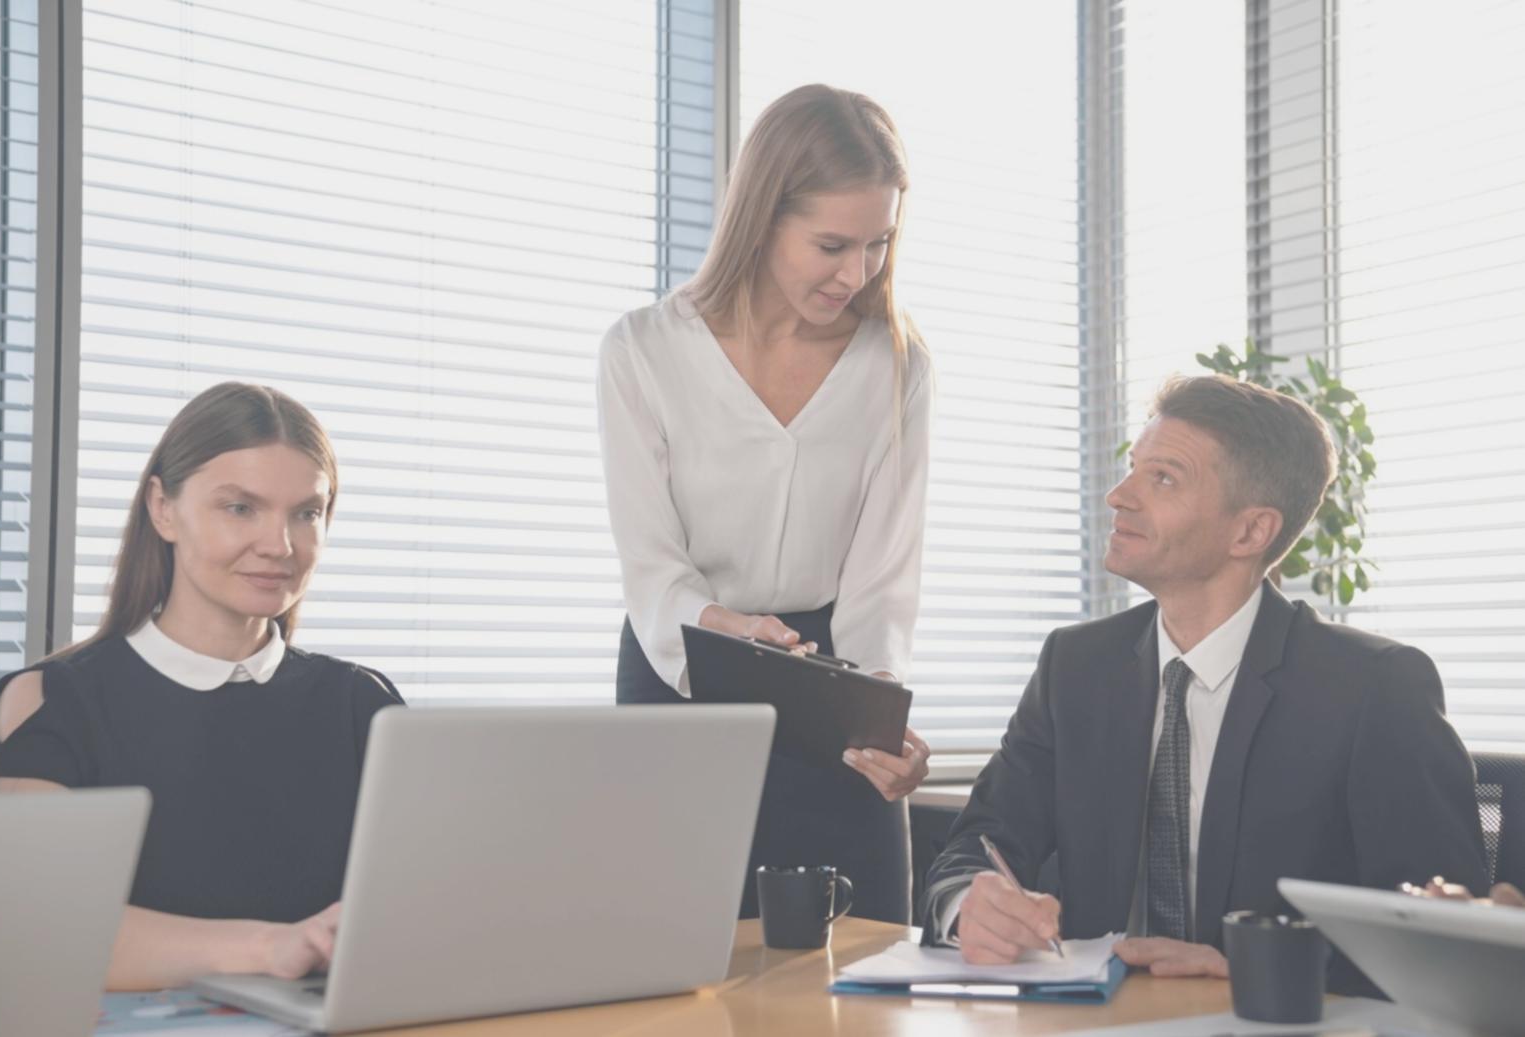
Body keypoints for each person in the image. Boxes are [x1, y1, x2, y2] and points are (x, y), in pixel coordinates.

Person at [918, 375, 1488, 995]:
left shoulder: (1372, 687)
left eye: (1163, 478)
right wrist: (967, 908)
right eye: (1132, 468)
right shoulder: (1076, 666)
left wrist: (1264, 964)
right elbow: (981, 840)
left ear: (1250, 532)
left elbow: (1448, 940)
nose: (1118, 495)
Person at [597, 84, 933, 923]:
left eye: (877, 245)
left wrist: (878, 713)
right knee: (673, 959)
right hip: (682, 673)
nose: (855, 273)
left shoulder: (896, 362)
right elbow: (652, 567)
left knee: (857, 964)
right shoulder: (642, 351)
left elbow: (882, 579)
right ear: (761, 216)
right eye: (830, 244)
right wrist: (725, 630)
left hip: (832, 684)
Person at [0, 383, 403, 990]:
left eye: (306, 513)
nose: (279, 546)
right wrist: (269, 946)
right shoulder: (51, 702)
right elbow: (41, 930)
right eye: (240, 507)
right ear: (163, 508)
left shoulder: (362, 705)